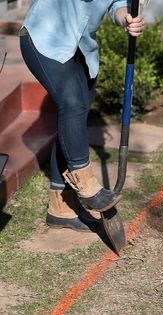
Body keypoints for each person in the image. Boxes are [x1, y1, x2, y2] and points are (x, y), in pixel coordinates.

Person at [19, 0, 144, 232]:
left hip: (81, 48)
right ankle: (87, 186)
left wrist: (127, 18)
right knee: (72, 104)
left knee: (75, 116)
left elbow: (116, 6)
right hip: (44, 37)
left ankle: (60, 209)